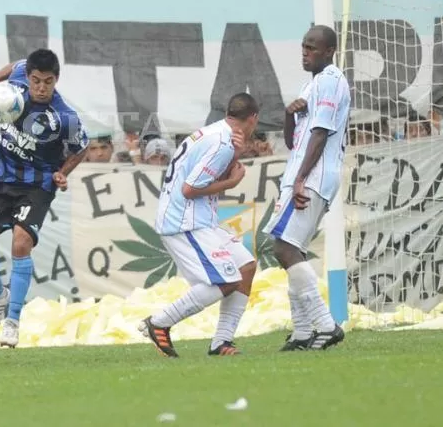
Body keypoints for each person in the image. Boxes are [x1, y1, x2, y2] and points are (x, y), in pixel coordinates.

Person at [0, 49, 89, 347]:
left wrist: (63, 172)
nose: (41, 87)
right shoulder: (18, 82)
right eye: (36, 80)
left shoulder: (65, 117)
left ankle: (12, 321)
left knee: (21, 241)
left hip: (38, 185)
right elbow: (15, 64)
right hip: (1, 179)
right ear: (29, 77)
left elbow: (81, 148)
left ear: (56, 80)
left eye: (48, 81)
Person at [140, 93, 259, 357]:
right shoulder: (222, 143)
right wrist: (231, 183)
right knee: (226, 282)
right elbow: (190, 188)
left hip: (201, 219)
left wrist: (237, 153)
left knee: (246, 266)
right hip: (184, 222)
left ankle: (221, 342)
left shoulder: (216, 132)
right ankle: (159, 323)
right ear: (253, 119)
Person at [265, 25, 349, 351]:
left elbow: (320, 134)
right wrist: (289, 116)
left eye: (312, 47)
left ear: (329, 51)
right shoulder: (311, 84)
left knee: (283, 248)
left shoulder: (329, 80)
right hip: (307, 175)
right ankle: (302, 333)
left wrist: (300, 180)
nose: (305, 52)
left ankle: (326, 326)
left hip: (311, 177)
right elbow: (294, 140)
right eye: (303, 46)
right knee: (292, 248)